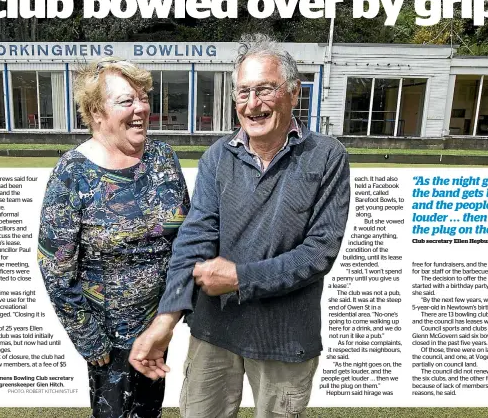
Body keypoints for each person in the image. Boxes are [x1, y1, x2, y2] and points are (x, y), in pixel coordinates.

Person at [129, 34, 351, 417]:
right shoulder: (218, 156)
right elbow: (194, 239)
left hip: (285, 338)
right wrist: (166, 319)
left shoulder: (326, 156)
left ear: (294, 93)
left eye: (265, 90)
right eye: (243, 92)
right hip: (215, 330)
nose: (252, 104)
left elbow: (320, 252)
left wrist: (242, 278)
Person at [37, 57, 190, 418]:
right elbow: (56, 268)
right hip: (109, 341)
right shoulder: (73, 173)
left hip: (159, 327)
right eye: (126, 101)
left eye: (143, 97)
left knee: (149, 413)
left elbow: (187, 237)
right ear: (96, 112)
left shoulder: (163, 158)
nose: (141, 109)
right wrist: (91, 341)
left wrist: (170, 317)